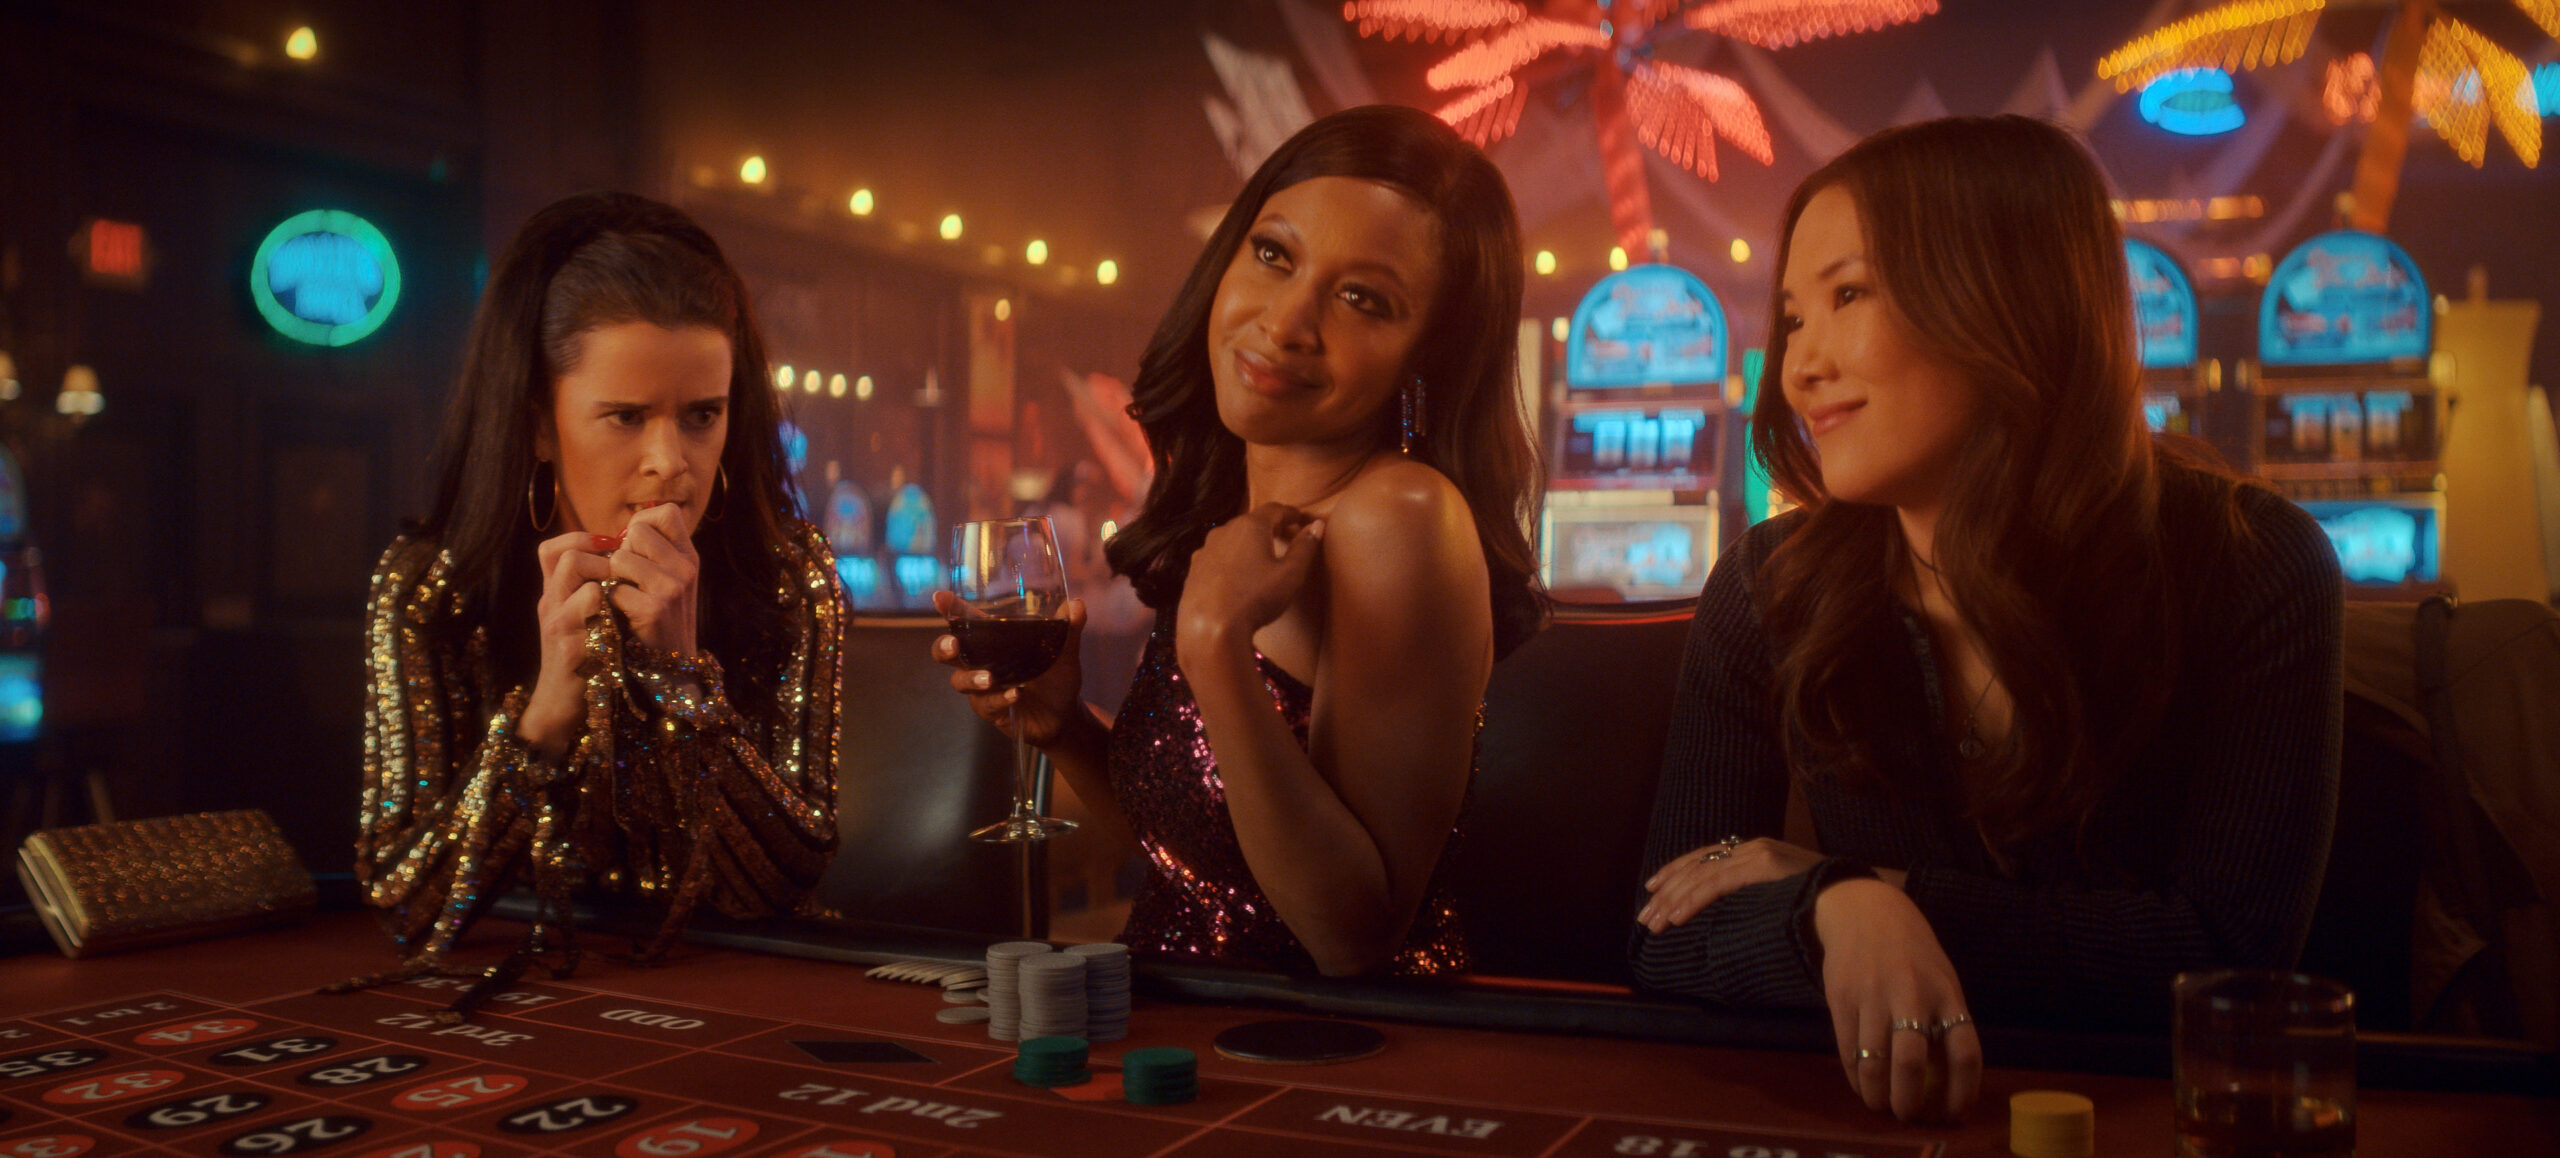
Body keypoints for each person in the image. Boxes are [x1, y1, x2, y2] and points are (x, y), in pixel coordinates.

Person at [1629, 116, 2343, 1122]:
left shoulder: (2249, 562)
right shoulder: (1769, 584)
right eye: (1792, 317)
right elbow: (1667, 932)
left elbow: (2220, 955)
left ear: (2003, 299)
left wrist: (1892, 894)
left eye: (1846, 296)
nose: (1800, 366)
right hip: (1889, 1111)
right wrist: (1842, 907)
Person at [936, 104, 1544, 977]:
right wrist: (1065, 727)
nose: (1288, 321)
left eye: (1362, 298)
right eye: (1274, 254)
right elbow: (1205, 870)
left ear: (1429, 354)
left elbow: (1350, 939)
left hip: (1337, 1071)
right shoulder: (1232, 506)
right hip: (1188, 1030)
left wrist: (1214, 645)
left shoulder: (1398, 517)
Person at [348, 192, 843, 1004]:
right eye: (624, 416)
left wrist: (684, 685)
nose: (670, 462)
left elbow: (788, 878)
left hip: (744, 992)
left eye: (701, 415)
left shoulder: (787, 576)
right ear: (540, 424)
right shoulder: (430, 588)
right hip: (521, 999)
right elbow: (405, 904)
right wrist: (542, 719)